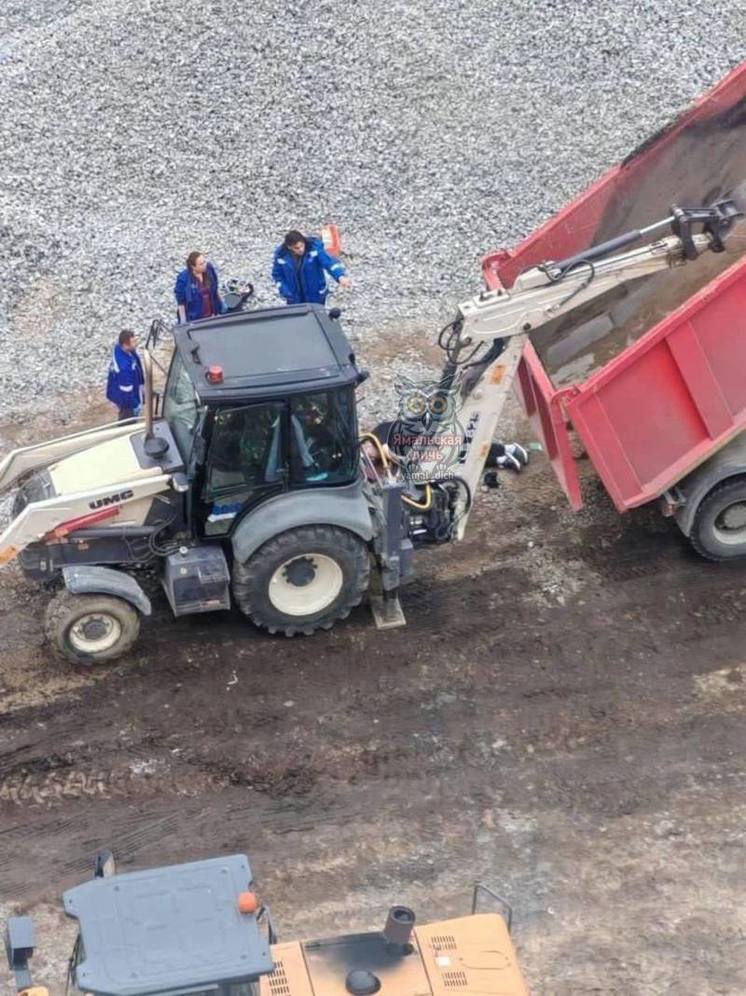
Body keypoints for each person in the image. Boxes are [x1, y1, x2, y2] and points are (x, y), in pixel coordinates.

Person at [272, 230, 351, 305]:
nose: (301, 249)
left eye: (302, 246)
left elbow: (329, 263)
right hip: (294, 297)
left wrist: (340, 276)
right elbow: (277, 275)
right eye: (297, 248)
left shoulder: (315, 250)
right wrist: (284, 290)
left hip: (315, 295)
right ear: (289, 247)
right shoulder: (281, 257)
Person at [174, 251, 225, 323]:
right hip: (196, 319)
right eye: (201, 264)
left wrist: (222, 304)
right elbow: (181, 302)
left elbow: (215, 288)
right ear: (193, 266)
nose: (204, 265)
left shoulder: (209, 270)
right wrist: (183, 322)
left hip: (212, 315)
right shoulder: (183, 279)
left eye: (204, 262)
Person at [106, 330, 144, 421]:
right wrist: (135, 406)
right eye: (133, 342)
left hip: (124, 392)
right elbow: (126, 393)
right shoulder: (124, 368)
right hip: (126, 401)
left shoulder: (121, 349)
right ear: (125, 344)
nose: (136, 343)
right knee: (127, 419)